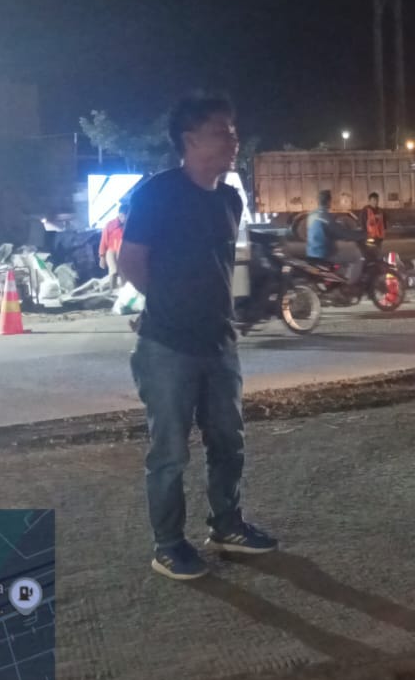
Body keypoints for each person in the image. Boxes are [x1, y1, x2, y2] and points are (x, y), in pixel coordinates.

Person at [117, 93, 277, 581]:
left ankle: (227, 525)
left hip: (219, 341)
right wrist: (172, 302)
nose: (233, 140)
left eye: (233, 131)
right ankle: (168, 545)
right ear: (190, 140)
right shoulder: (157, 193)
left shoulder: (230, 198)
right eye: (221, 132)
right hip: (167, 344)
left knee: (228, 440)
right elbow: (131, 261)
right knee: (169, 452)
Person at [306, 190, 363, 285]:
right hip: (325, 254)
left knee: (342, 249)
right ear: (329, 202)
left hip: (311, 252)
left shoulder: (311, 215)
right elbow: (341, 233)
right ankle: (350, 286)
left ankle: (338, 278)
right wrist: (360, 235)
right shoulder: (326, 216)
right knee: (356, 256)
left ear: (318, 201)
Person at [99, 202, 129, 284]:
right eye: (122, 216)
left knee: (124, 271)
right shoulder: (110, 225)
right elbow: (103, 241)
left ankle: (123, 287)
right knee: (113, 271)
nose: (123, 219)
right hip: (111, 251)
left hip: (123, 251)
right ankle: (112, 289)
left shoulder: (129, 225)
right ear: (119, 215)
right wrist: (102, 257)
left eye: (126, 217)